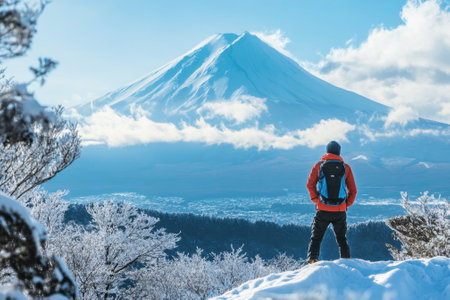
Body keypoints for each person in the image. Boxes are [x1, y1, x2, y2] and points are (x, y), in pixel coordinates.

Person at [306, 141, 357, 264]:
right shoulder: (345, 168)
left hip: (322, 209)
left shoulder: (319, 166)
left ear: (327, 151)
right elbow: (353, 190)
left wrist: (316, 200)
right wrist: (345, 204)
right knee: (341, 239)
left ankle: (312, 260)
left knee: (316, 238)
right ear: (339, 152)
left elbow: (310, 185)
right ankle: (346, 262)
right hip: (340, 210)